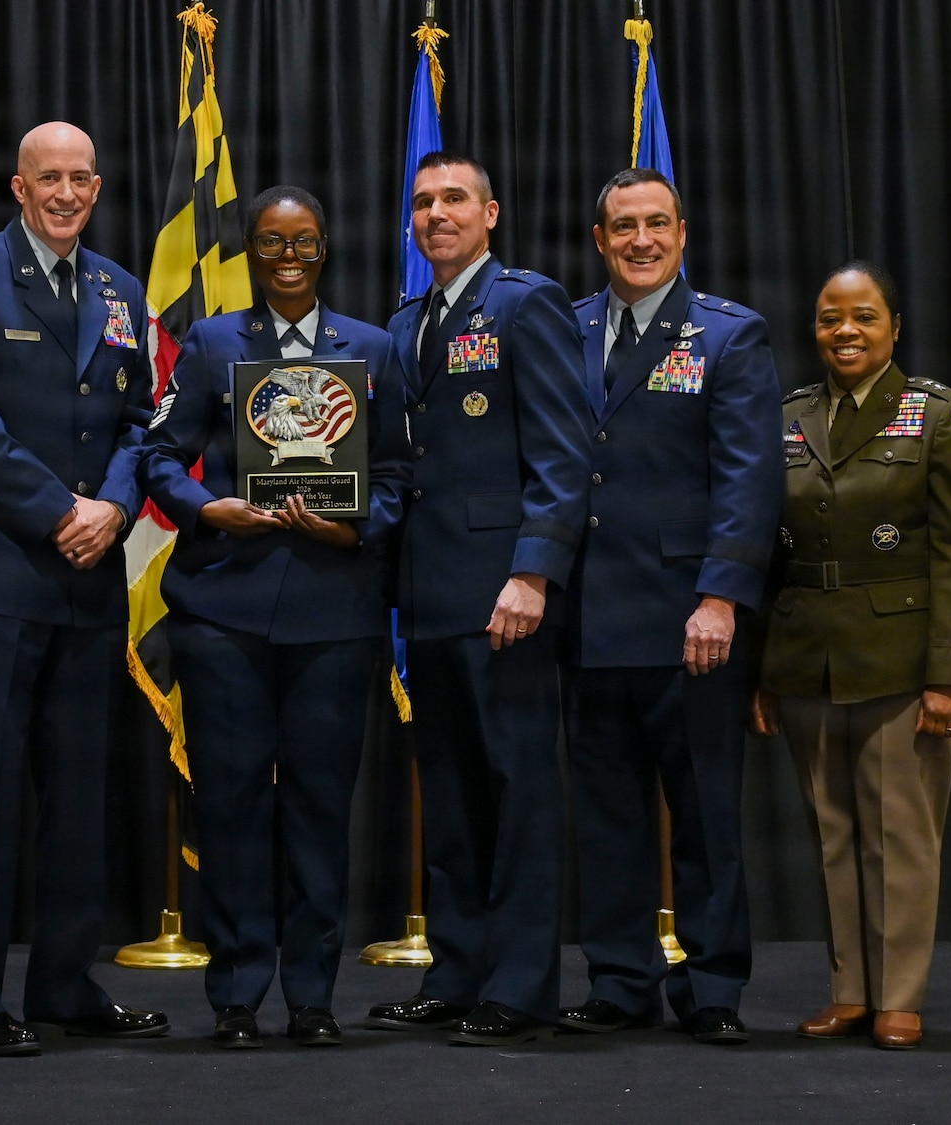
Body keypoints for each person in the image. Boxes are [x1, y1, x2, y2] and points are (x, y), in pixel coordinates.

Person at [0, 121, 167, 1056]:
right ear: (17, 189)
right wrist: (57, 506)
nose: (64, 193)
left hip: (92, 576)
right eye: (46, 179)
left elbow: (147, 419)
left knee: (77, 795)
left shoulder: (119, 290)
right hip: (0, 574)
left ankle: (63, 983)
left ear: (96, 189)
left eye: (80, 180)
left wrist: (113, 505)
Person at [139, 186, 410, 1050]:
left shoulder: (372, 347)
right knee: (229, 806)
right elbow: (155, 456)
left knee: (321, 810)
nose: (287, 255)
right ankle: (236, 995)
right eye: (269, 242)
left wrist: (355, 523)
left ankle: (312, 996)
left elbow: (404, 476)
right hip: (223, 611)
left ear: (325, 249)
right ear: (250, 251)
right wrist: (205, 506)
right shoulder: (216, 340)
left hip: (334, 615)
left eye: (302, 241)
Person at [366, 152, 590, 1047]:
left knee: (520, 794)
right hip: (427, 593)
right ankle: (457, 971)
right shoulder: (404, 321)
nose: (436, 214)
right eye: (422, 202)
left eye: (453, 199)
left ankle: (523, 985)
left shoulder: (526, 302)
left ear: (490, 213)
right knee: (451, 795)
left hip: (506, 593)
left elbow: (563, 453)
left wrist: (533, 572)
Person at [557, 168, 782, 1046]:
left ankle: (714, 983)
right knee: (607, 814)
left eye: (657, 224)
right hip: (589, 616)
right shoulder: (565, 329)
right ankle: (619, 979)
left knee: (705, 813)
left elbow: (749, 479)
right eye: (623, 227)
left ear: (683, 234)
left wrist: (721, 595)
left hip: (694, 621)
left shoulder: (729, 336)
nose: (641, 240)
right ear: (600, 239)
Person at [750, 261, 951, 1050]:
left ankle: (901, 993)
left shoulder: (935, 416)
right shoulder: (788, 417)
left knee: (901, 835)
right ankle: (851, 988)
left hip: (900, 661)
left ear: (893, 328)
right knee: (835, 832)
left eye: (862, 317)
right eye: (829, 318)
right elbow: (767, 552)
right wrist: (765, 668)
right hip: (808, 660)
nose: (844, 331)